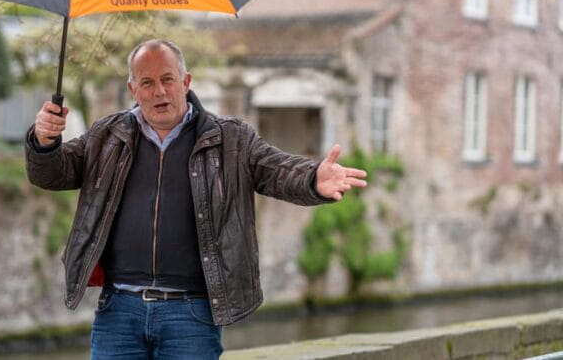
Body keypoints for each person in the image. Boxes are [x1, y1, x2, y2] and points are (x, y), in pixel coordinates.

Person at [25, 39, 367, 359]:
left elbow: (275, 169)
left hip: (191, 313)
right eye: (146, 82)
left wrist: (311, 178)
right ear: (133, 89)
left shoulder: (230, 138)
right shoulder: (107, 135)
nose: (159, 91)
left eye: (167, 79)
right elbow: (53, 173)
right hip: (118, 310)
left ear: (186, 81)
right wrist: (43, 140)